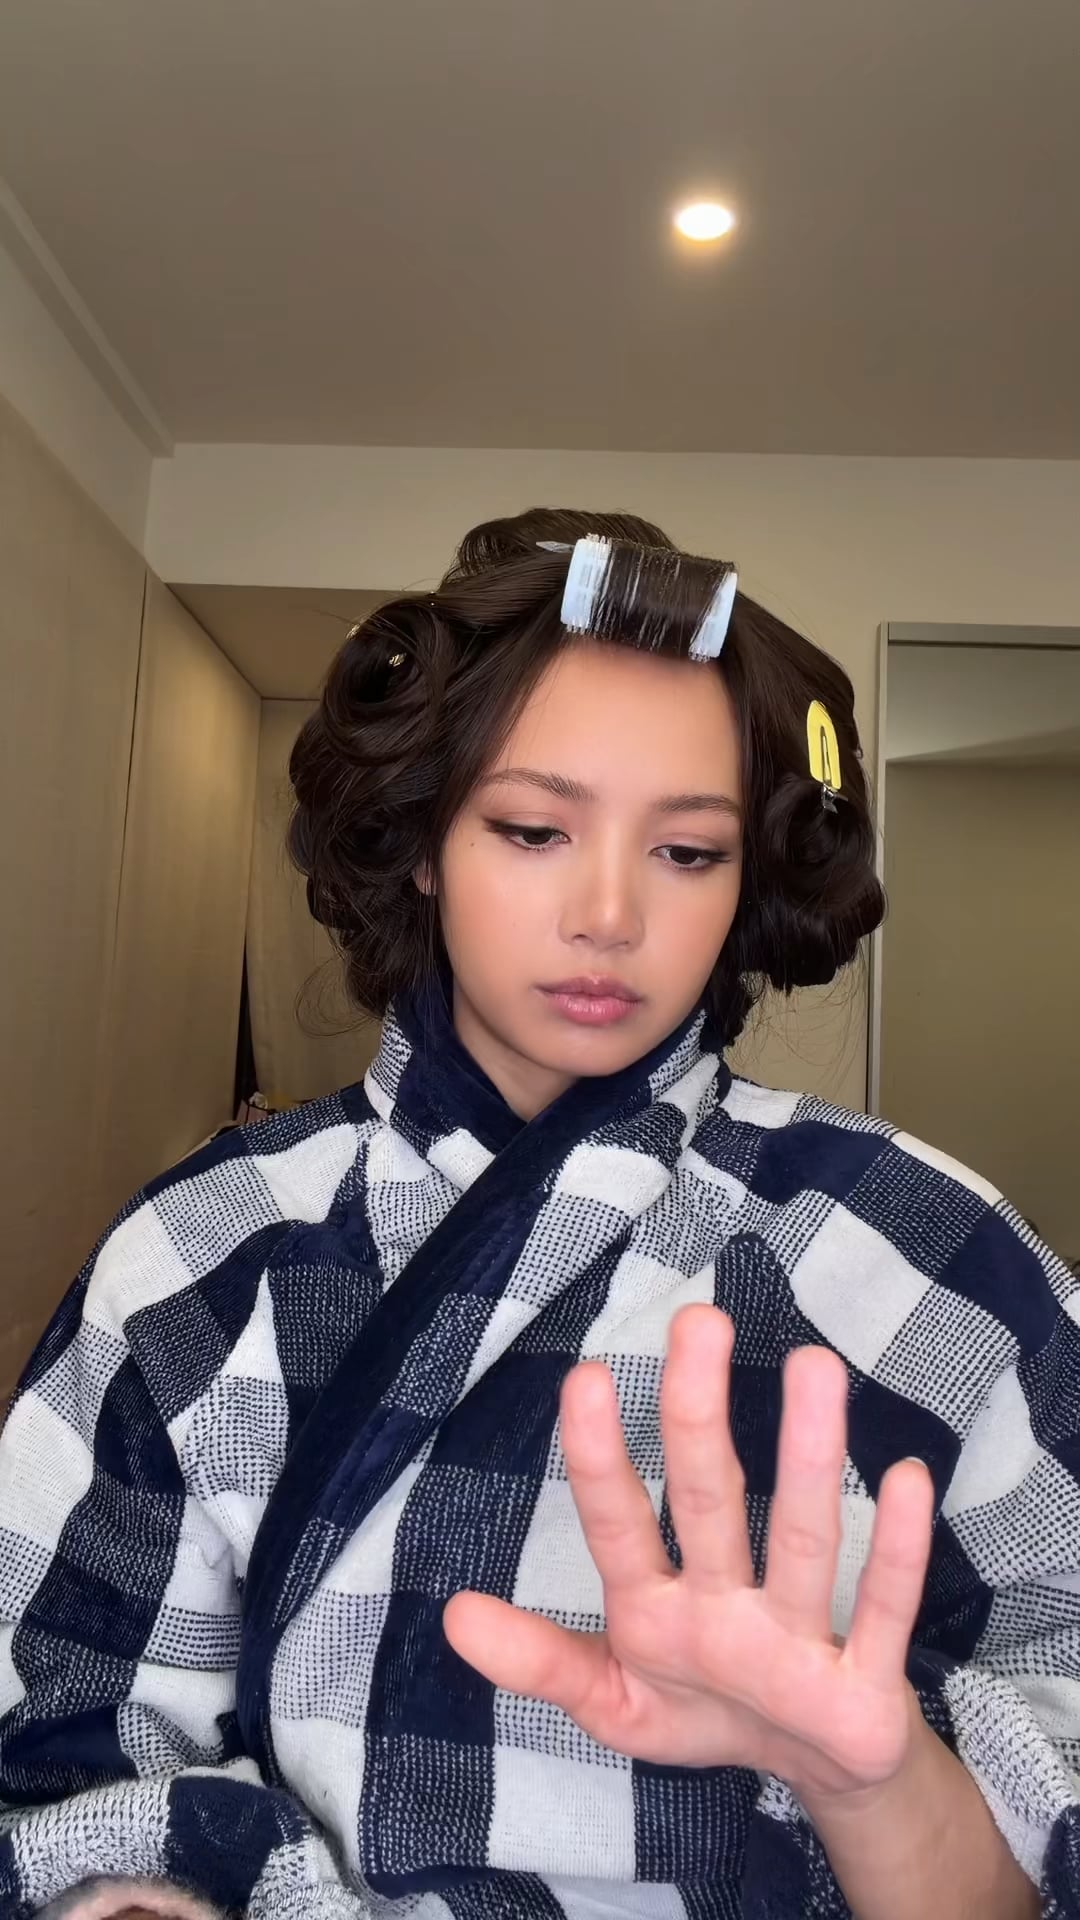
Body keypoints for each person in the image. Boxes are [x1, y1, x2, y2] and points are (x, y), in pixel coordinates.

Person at [0, 508, 1075, 1920]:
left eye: (688, 852)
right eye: (531, 828)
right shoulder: (205, 1254)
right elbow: (55, 1768)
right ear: (424, 843)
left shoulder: (932, 1254)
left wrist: (882, 1793)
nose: (610, 913)